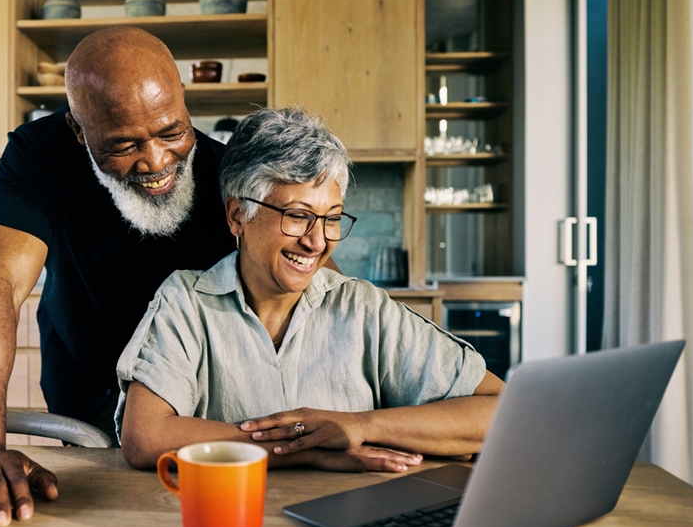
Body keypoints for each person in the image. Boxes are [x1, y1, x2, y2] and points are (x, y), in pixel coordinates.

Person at [0, 27, 236, 527]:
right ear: (78, 131)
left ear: (183, 99)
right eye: (123, 144)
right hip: (86, 402)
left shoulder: (229, 171)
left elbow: (317, 288)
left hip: (199, 411)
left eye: (172, 132)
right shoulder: (40, 155)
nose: (156, 161)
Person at [116, 107, 504, 472]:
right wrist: (308, 448)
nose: (317, 241)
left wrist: (358, 426)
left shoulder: (365, 309)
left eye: (332, 219)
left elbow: (499, 410)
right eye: (298, 216)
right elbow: (145, 437)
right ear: (238, 216)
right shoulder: (185, 302)